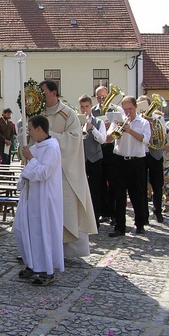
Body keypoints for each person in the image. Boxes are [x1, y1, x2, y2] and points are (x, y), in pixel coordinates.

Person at [39, 79, 98, 258]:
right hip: (42, 172)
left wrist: (48, 136)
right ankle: (40, 247)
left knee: (67, 210)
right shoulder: (35, 112)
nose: (40, 97)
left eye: (43, 93)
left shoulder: (68, 114)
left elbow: (74, 140)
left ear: (54, 93)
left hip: (64, 172)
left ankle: (68, 251)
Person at [14, 114, 64, 286]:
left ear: (39, 129)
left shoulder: (52, 147)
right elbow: (28, 170)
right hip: (29, 197)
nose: (28, 132)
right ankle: (31, 263)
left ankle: (46, 271)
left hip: (44, 198)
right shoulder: (36, 146)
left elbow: (43, 173)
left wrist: (30, 158)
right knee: (22, 230)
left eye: (30, 128)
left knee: (41, 233)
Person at [106, 95, 151, 237]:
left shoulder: (143, 122)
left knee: (136, 193)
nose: (127, 112)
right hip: (119, 160)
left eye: (130, 109)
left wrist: (130, 130)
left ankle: (140, 224)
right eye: (125, 109)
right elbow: (107, 139)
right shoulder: (118, 121)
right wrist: (113, 129)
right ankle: (120, 227)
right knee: (118, 194)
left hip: (136, 161)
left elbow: (145, 140)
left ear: (135, 107)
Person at [78, 94, 108, 229]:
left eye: (87, 107)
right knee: (81, 190)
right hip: (80, 159)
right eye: (82, 107)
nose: (85, 109)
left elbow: (102, 140)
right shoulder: (75, 121)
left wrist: (92, 129)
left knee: (95, 190)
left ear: (91, 107)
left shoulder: (99, 122)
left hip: (95, 159)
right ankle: (82, 219)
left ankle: (94, 220)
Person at [137, 95, 165, 223]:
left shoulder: (158, 118)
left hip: (155, 154)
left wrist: (152, 124)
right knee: (141, 185)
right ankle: (144, 215)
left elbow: (161, 136)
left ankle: (158, 210)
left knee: (157, 185)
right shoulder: (137, 119)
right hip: (142, 153)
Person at [91, 85, 116, 226]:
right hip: (98, 149)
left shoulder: (114, 110)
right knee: (100, 184)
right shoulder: (94, 111)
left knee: (112, 183)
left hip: (110, 149)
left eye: (104, 97)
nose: (101, 100)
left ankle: (113, 213)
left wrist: (110, 127)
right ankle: (103, 213)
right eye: (99, 97)